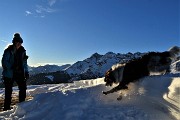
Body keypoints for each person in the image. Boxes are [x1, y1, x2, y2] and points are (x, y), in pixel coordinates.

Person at [1, 33, 29, 111]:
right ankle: (6, 108)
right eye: (18, 42)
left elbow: (24, 63)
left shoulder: (22, 51)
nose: (19, 44)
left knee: (23, 88)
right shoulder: (8, 50)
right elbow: (4, 61)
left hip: (19, 73)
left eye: (20, 42)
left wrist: (26, 72)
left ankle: (22, 106)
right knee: (8, 91)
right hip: (9, 73)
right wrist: (11, 67)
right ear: (14, 42)